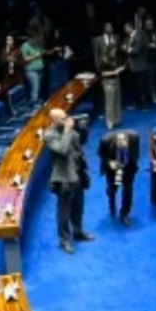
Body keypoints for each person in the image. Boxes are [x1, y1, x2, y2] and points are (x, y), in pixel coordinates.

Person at [46, 108, 93, 255]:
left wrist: (83, 128)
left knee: (78, 206)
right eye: (62, 118)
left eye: (66, 117)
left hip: (77, 173)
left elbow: (80, 142)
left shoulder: (68, 129)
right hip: (64, 178)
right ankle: (64, 240)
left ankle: (78, 231)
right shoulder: (49, 135)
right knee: (64, 212)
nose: (66, 120)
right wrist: (67, 130)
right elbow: (62, 150)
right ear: (54, 120)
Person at [98, 130, 140, 226]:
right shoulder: (105, 140)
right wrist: (109, 162)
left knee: (128, 190)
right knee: (112, 189)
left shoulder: (134, 137)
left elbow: (136, 153)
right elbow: (101, 154)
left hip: (128, 167)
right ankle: (112, 205)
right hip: (112, 168)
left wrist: (132, 165)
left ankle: (124, 214)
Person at [99, 36, 125, 130]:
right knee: (110, 103)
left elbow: (119, 66)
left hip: (117, 81)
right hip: (108, 83)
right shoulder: (104, 59)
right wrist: (114, 72)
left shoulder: (116, 58)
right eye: (113, 50)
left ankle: (116, 119)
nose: (114, 52)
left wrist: (121, 68)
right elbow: (102, 73)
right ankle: (109, 121)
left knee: (117, 101)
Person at [124, 19, 150, 110]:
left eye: (125, 28)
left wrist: (126, 49)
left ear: (130, 27)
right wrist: (127, 48)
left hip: (140, 66)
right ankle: (136, 103)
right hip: (132, 66)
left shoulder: (138, 36)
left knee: (141, 87)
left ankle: (144, 106)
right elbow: (124, 46)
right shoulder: (129, 37)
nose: (125, 30)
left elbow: (135, 51)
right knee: (135, 86)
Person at [20, 24, 46, 101]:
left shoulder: (38, 44)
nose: (37, 39)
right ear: (30, 37)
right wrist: (36, 55)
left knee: (38, 89)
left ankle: (37, 103)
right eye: (35, 37)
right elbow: (25, 59)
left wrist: (51, 50)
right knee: (35, 89)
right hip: (31, 70)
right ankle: (34, 106)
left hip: (40, 69)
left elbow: (41, 53)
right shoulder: (25, 46)